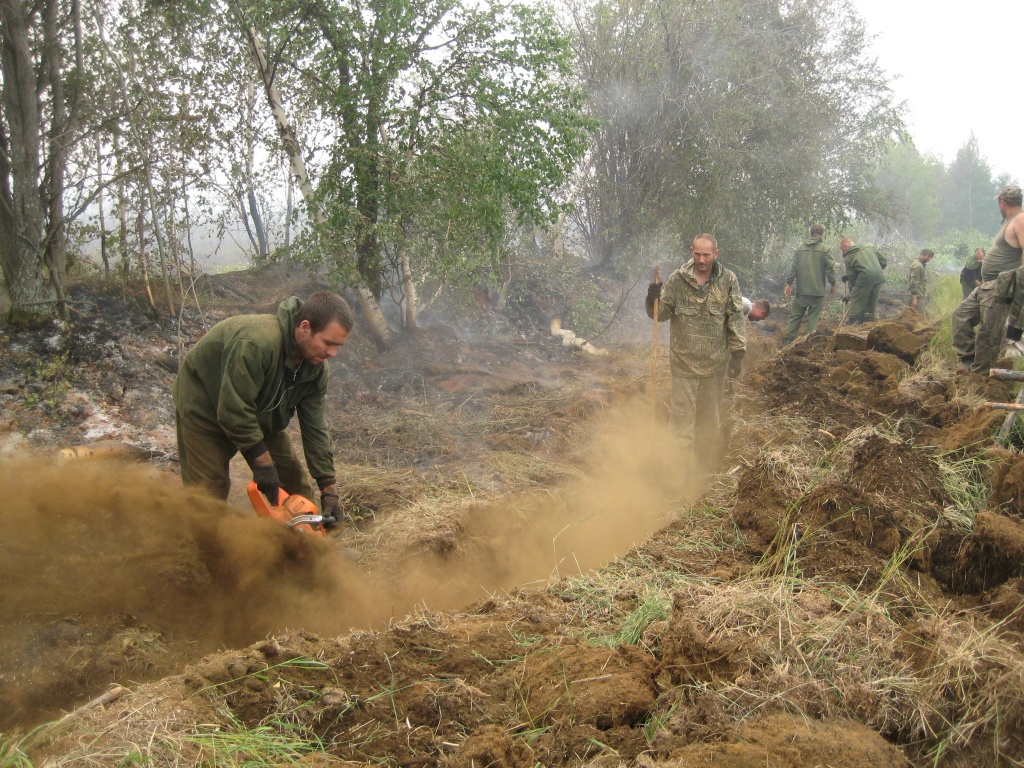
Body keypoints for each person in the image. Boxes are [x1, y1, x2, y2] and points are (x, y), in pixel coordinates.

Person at [173, 291, 353, 529]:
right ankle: (208, 558)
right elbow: (233, 410)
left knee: (293, 481)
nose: (332, 354)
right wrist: (263, 465)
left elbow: (316, 429)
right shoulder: (257, 342)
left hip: (260, 412)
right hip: (205, 408)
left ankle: (310, 547)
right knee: (208, 493)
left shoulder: (316, 368)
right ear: (305, 328)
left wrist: (329, 490)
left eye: (338, 346)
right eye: (329, 343)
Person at [646, 233, 746, 459]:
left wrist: (738, 352)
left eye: (707, 255)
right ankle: (677, 472)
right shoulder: (677, 280)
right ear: (692, 251)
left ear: (716, 254)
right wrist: (652, 298)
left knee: (709, 423)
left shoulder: (728, 280)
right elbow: (660, 314)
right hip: (684, 367)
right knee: (681, 425)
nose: (702, 260)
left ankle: (702, 472)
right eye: (698, 254)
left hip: (715, 367)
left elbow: (736, 317)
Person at [951, 185, 1024, 374]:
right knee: (960, 317)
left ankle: (980, 377)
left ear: (1002, 202)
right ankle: (970, 362)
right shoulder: (1008, 222)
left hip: (1000, 287)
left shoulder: (1020, 220)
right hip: (986, 286)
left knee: (988, 334)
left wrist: (1018, 283)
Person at [783, 223, 835, 344]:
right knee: (813, 318)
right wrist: (833, 283)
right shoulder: (825, 249)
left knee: (796, 315)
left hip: (802, 290)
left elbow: (794, 268)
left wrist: (788, 283)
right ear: (822, 234)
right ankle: (808, 341)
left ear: (811, 233)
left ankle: (789, 339)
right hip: (817, 291)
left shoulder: (800, 248)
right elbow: (830, 269)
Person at [840, 237, 887, 324]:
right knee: (871, 304)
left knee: (857, 303)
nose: (843, 253)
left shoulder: (849, 256)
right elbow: (883, 261)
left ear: (845, 245)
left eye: (842, 250)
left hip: (865, 278)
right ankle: (870, 325)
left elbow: (852, 278)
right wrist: (875, 270)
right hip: (878, 277)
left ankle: (853, 324)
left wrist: (850, 295)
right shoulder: (868, 247)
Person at [907, 249, 934, 314]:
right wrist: (914, 299)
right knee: (917, 319)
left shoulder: (917, 264)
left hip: (918, 295)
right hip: (917, 296)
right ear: (926, 255)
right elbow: (914, 283)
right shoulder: (918, 266)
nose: (929, 260)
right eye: (930, 258)